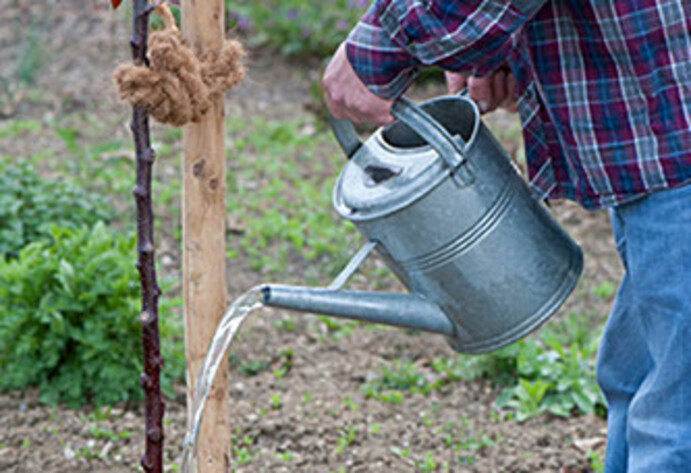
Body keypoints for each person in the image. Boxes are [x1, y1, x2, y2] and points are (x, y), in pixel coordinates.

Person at [321, 1, 691, 472]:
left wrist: (383, 42)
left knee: (677, 420)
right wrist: (501, 49)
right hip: (661, 130)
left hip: (671, 129)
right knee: (639, 380)